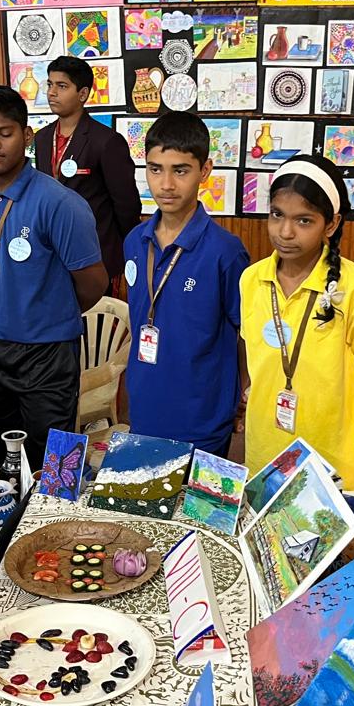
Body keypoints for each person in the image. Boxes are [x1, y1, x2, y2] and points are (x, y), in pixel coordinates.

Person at [0, 86, 107, 469]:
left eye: (4, 133)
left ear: (26, 135)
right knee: (1, 457)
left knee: (53, 464)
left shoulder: (60, 204)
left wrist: (46, 312)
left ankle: (54, 510)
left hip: (47, 353)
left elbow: (93, 283)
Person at [239, 155, 354, 492]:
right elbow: (253, 355)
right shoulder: (251, 279)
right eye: (277, 215)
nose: (285, 232)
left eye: (304, 220)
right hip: (265, 449)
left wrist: (351, 440)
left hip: (330, 454)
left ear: (331, 224)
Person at [121, 111, 248, 457]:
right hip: (146, 405)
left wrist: (244, 391)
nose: (166, 184)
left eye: (180, 171)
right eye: (155, 169)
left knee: (195, 496)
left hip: (202, 415)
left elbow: (245, 333)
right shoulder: (135, 241)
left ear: (204, 171)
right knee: (146, 491)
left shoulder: (226, 252)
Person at [35, 56, 141, 288]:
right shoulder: (42, 138)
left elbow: (127, 204)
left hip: (96, 254)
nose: (52, 92)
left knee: (98, 312)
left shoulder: (106, 141)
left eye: (62, 86)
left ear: (82, 94)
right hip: (53, 254)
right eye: (50, 84)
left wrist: (123, 248)